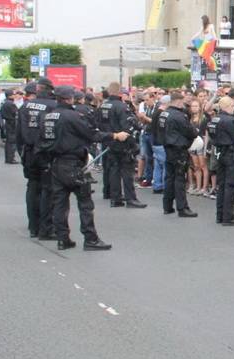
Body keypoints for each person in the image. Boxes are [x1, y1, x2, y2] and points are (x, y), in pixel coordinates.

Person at [41, 85, 121, 251]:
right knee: (85, 203)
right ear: (70, 98)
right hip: (73, 163)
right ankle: (90, 238)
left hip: (55, 163)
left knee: (60, 203)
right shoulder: (72, 116)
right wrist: (114, 135)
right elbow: (91, 134)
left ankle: (63, 238)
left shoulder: (48, 116)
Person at [17, 80, 56, 239]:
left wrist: (21, 151)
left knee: (32, 187)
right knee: (48, 189)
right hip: (46, 152)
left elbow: (18, 131)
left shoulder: (25, 107)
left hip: (29, 151)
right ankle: (45, 226)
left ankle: (33, 225)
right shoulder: (53, 106)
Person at [99, 84, 147, 209]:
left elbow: (98, 124)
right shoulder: (121, 106)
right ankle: (130, 198)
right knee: (127, 171)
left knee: (113, 170)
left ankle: (115, 198)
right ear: (120, 92)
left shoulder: (103, 106)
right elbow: (129, 126)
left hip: (108, 140)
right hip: (122, 142)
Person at [208, 96, 234, 226]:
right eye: (232, 105)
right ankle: (228, 217)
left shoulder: (214, 119)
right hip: (231, 154)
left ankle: (220, 214)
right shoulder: (231, 121)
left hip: (220, 153)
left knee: (222, 185)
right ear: (226, 106)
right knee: (231, 186)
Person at [160, 90, 198, 217]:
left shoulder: (164, 114)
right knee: (180, 179)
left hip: (168, 147)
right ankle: (182, 208)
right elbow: (190, 132)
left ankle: (167, 205)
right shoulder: (178, 116)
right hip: (178, 149)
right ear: (177, 101)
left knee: (169, 177)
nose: (183, 104)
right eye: (182, 102)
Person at [1, 90, 20, 164]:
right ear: (10, 95)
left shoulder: (5, 103)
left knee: (9, 142)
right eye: (13, 94)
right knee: (12, 142)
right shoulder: (11, 104)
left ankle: (8, 158)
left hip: (8, 123)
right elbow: (16, 113)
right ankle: (11, 158)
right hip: (12, 124)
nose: (15, 95)